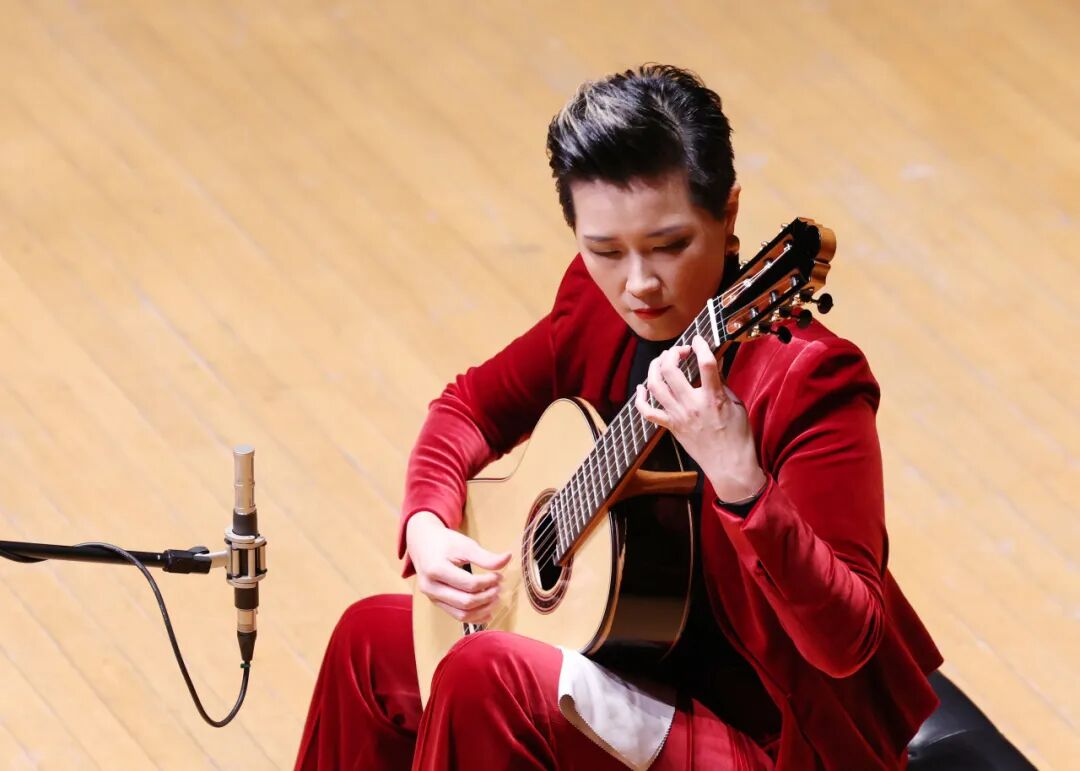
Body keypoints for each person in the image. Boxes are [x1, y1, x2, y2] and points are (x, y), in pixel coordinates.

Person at [294, 64, 943, 770]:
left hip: (769, 739)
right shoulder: (594, 309)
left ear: (727, 216)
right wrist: (426, 522)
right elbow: (468, 409)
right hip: (626, 670)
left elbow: (848, 640)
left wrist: (743, 483)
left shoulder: (810, 379)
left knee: (485, 675)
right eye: (605, 250)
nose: (638, 284)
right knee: (368, 642)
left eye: (670, 245)